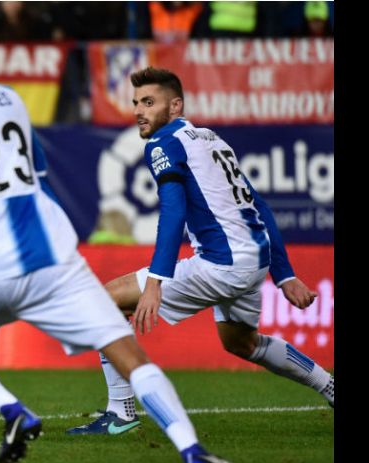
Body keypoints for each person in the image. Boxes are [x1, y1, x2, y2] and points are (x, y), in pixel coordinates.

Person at [0, 15, 245, 463]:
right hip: (57, 261)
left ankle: (13, 410)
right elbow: (42, 176)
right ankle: (192, 451)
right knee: (129, 355)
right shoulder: (10, 99)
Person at [68, 66, 334, 435]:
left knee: (108, 300)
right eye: (136, 103)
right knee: (242, 343)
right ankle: (329, 385)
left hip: (221, 265)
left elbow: (174, 211)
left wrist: (156, 281)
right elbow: (259, 205)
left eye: (149, 102)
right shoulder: (210, 139)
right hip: (252, 261)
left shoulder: (163, 143)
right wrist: (282, 274)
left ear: (175, 106)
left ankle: (121, 413)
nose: (139, 111)